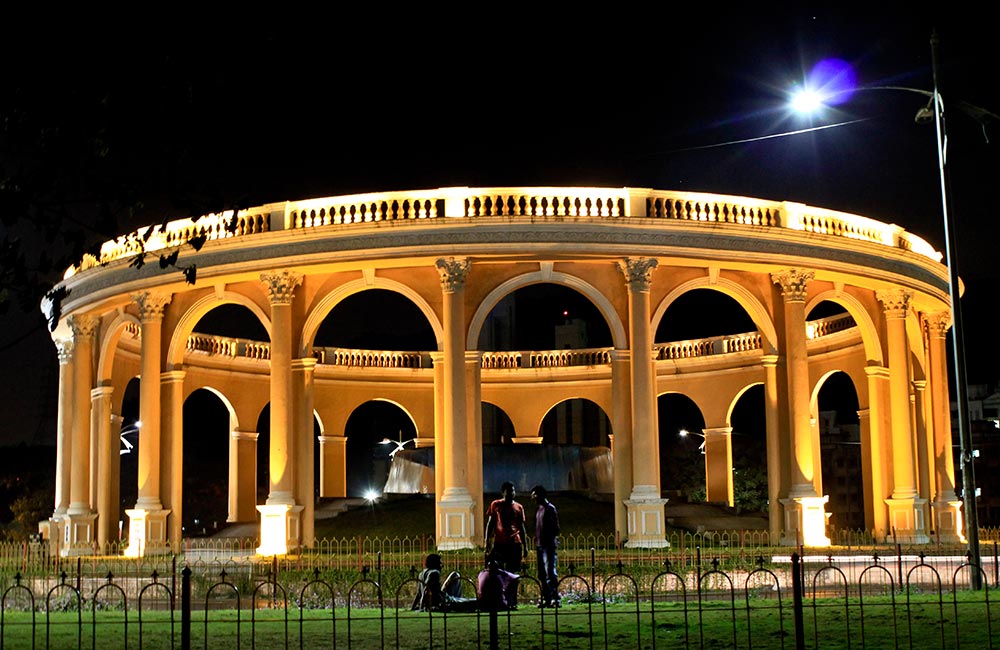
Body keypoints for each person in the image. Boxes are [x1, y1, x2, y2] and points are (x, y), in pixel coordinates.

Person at [484, 481, 528, 607]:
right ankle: (501, 600)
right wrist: (487, 541)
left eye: (513, 491)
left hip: (515, 544)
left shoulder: (519, 507)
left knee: (513, 574)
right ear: (503, 492)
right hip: (500, 544)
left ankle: (512, 601)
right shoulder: (496, 505)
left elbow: (521, 527)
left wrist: (525, 546)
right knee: (499, 574)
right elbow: (490, 524)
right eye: (509, 491)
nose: (512, 493)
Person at [412, 553, 477, 612]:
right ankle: (458, 601)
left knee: (455, 574)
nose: (442, 566)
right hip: (443, 603)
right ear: (435, 563)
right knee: (474, 602)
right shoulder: (435, 573)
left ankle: (458, 599)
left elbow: (418, 593)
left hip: (442, 599)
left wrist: (413, 607)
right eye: (440, 564)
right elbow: (426, 590)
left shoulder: (421, 574)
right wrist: (421, 607)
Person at [531, 484, 560, 608]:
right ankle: (546, 598)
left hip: (548, 546)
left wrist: (547, 539)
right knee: (542, 574)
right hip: (540, 546)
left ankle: (554, 598)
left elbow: (556, 529)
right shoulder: (539, 509)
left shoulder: (550, 509)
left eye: (534, 495)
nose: (533, 498)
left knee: (550, 573)